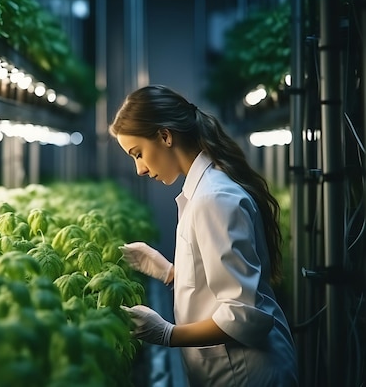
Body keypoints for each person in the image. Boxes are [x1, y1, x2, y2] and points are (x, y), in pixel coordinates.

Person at [110, 85, 298, 386]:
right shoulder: (202, 191)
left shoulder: (213, 198)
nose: (140, 170)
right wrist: (170, 272)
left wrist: (167, 334)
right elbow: (220, 282)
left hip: (247, 374)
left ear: (164, 136)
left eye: (138, 154)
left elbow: (245, 316)